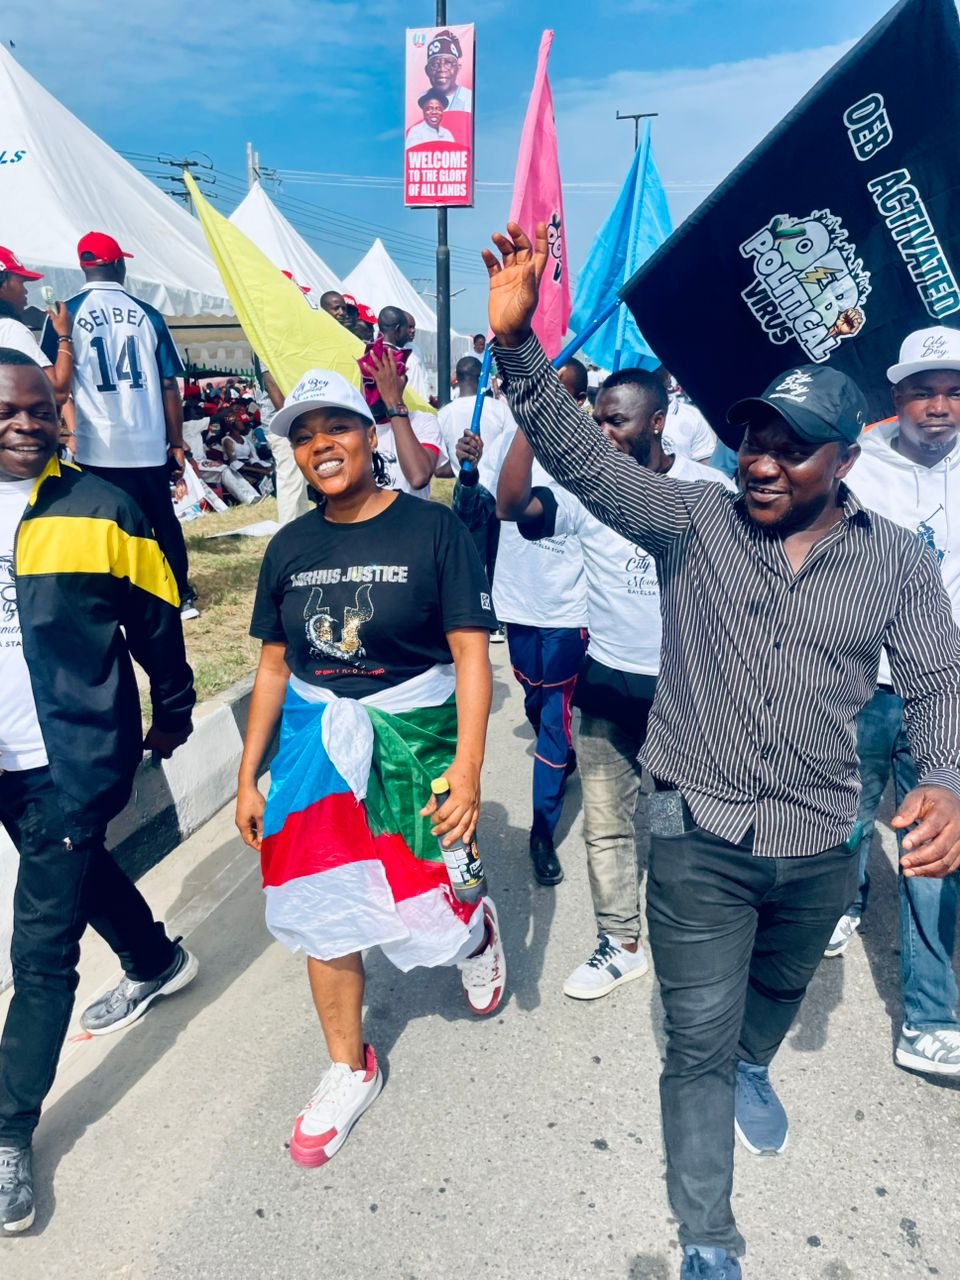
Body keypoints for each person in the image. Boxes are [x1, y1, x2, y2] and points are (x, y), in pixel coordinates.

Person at [482, 223, 960, 1279]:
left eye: (793, 445)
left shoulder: (895, 564)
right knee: (693, 1039)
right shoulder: (692, 518)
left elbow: (935, 677)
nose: (763, 460)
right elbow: (581, 458)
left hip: (822, 840)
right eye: (753, 438)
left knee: (774, 999)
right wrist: (518, 348)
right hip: (697, 832)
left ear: (846, 458)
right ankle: (710, 1239)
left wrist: (943, 778)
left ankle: (755, 1062)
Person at [235, 367, 505, 1168]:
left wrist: (469, 768)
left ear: (369, 434)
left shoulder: (433, 530)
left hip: (415, 739)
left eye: (337, 427)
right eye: (304, 435)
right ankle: (349, 1067)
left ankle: (476, 933)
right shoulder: (289, 546)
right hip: (315, 750)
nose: (322, 445)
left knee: (442, 893)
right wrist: (249, 776)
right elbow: (274, 666)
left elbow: (470, 655)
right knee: (323, 903)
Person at [0, 350, 198, 1235]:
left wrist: (176, 709)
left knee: (41, 950)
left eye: (41, 410)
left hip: (69, 759)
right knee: (76, 872)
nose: (28, 424)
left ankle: (9, 1133)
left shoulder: (101, 507)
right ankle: (156, 961)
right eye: (10, 411)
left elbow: (157, 619)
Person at [497, 369, 734, 998]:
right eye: (598, 419)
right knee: (606, 823)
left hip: (687, 694)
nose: (603, 432)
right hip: (606, 686)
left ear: (657, 421)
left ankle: (686, 928)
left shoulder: (709, 489)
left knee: (673, 819)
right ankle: (620, 943)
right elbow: (511, 506)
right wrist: (528, 422)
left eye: (617, 420)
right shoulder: (588, 489)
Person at [823, 325, 960, 1075]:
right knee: (846, 821)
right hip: (864, 684)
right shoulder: (855, 466)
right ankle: (843, 898)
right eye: (923, 392)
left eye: (954, 393)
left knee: (934, 850)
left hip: (945, 691)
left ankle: (930, 1015)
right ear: (896, 395)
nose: (939, 408)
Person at [39, 232, 198, 621]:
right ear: (119, 265)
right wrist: (176, 442)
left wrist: (68, 432)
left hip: (96, 444)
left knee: (104, 526)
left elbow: (52, 383)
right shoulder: (147, 314)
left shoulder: (64, 315)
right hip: (147, 442)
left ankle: (114, 600)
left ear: (84, 267)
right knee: (161, 521)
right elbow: (168, 385)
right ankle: (179, 595)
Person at [483, 396, 589, 886]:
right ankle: (562, 756)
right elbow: (495, 505)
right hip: (518, 602)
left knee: (553, 716)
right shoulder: (508, 441)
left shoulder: (588, 449)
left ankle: (541, 833)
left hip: (569, 609)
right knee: (533, 697)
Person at [361, 341, 443, 498]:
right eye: (369, 377)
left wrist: (394, 403)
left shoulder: (423, 422)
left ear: (401, 381)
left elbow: (418, 477)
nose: (377, 384)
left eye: (386, 377)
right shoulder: (354, 427)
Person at [0, 247, 73, 396]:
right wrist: (64, 334)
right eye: (22, 283)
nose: (25, 291)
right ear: (3, 283)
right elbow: (57, 390)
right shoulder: (10, 329)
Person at [657, 368, 718, 464]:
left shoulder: (692, 416)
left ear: (668, 375)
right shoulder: (633, 417)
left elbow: (704, 463)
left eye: (657, 373)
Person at [424, 30, 472, 112]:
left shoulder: (469, 98)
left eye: (448, 63)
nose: (442, 69)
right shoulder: (419, 99)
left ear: (458, 68)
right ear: (427, 70)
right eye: (435, 64)